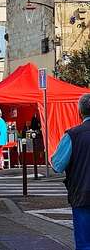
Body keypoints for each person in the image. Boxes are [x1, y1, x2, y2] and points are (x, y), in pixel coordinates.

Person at [52, 94, 90, 250]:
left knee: (84, 243)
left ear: (80, 111)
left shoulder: (73, 135)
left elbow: (57, 165)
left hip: (82, 193)